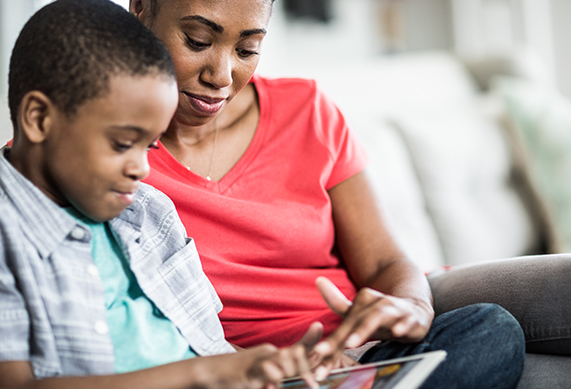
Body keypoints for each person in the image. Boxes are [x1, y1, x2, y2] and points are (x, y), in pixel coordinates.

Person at [131, 1, 526, 388]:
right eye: (197, 41)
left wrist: (412, 307)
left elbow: (384, 262)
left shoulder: (306, 110)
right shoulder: (112, 153)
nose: (222, 75)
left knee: (490, 329)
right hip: (251, 374)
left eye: (247, 49)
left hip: (363, 357)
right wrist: (271, 367)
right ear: (141, 8)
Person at [0, 1, 325, 388]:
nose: (143, 168)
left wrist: (275, 368)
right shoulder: (9, 235)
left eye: (150, 146)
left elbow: (211, 349)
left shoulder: (149, 212)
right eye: (123, 144)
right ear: (39, 119)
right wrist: (202, 375)